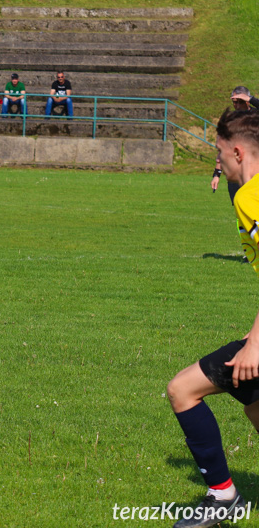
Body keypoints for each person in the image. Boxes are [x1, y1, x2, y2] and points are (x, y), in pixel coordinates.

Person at [164, 109, 259, 528]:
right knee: (255, 405)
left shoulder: (250, 196)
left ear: (237, 151)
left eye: (219, 153)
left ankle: (224, 498)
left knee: (182, 389)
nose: (217, 161)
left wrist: (256, 341)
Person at [211, 87, 258, 202]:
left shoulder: (255, 117)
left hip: (254, 172)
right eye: (234, 102)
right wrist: (217, 174)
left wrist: (251, 99)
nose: (237, 105)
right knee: (239, 208)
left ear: (247, 101)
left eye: (240, 101)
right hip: (236, 173)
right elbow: (223, 150)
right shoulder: (230, 121)